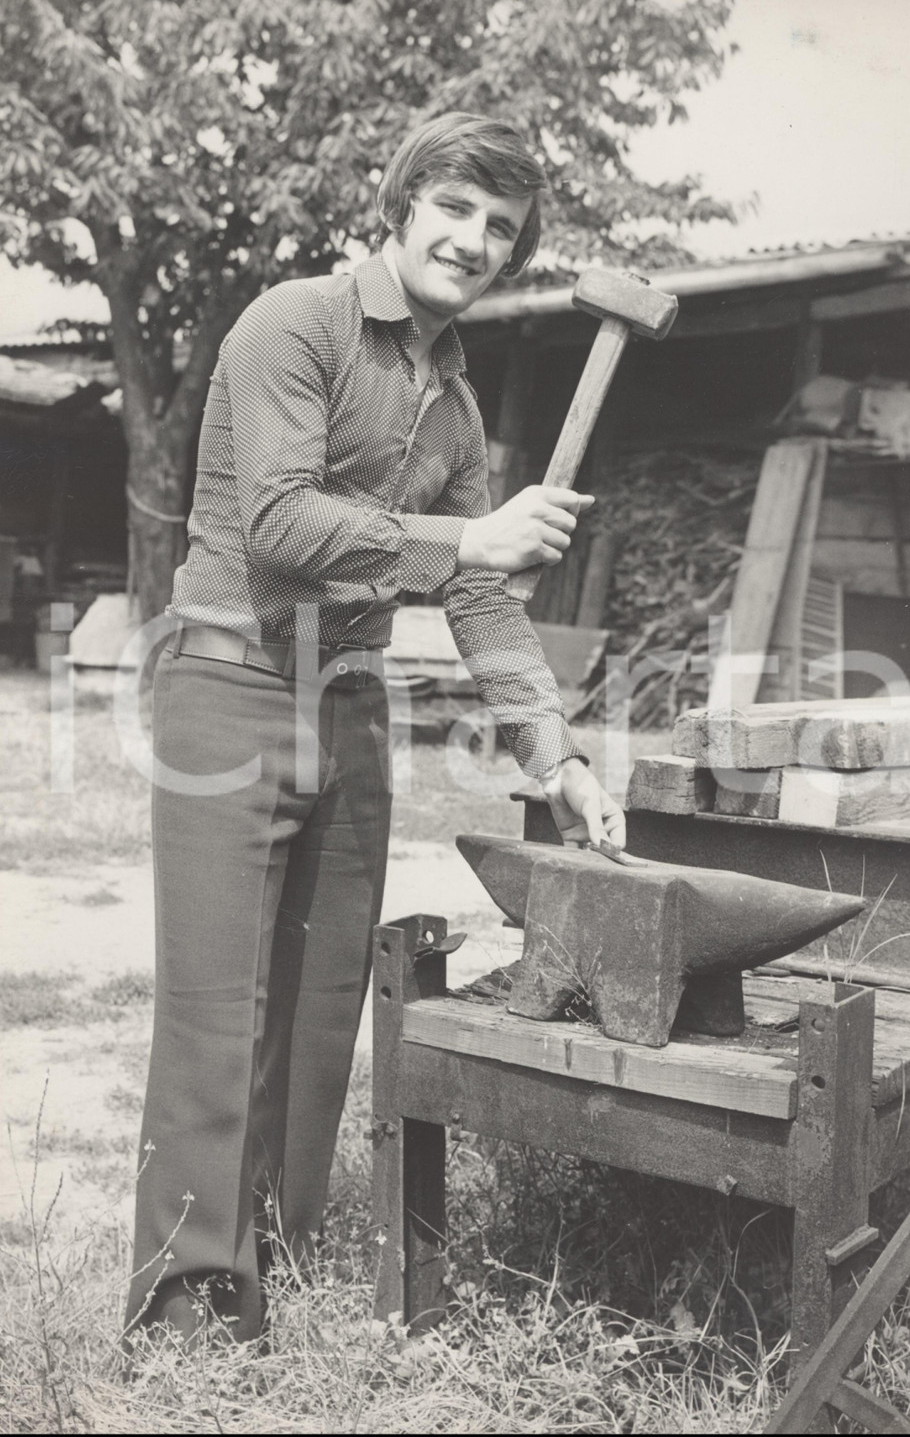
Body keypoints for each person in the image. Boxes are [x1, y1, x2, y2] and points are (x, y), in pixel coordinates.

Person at [124, 111, 626, 1347]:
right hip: (230, 687)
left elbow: (479, 598)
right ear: (402, 202)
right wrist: (472, 534)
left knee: (318, 996)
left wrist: (551, 752)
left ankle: (274, 1269)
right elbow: (283, 525)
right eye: (454, 207)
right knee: (215, 1008)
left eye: (500, 229)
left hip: (348, 702)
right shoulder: (291, 323)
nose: (473, 239)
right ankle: (185, 1309)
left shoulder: (453, 406)